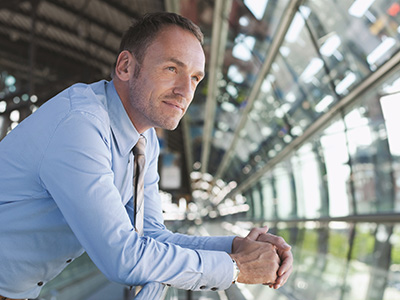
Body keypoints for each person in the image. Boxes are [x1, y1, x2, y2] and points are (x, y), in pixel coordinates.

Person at [0, 12, 293, 300]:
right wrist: (236, 268)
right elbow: (123, 256)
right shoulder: (80, 125)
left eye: (195, 78)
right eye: (171, 69)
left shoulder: (145, 141)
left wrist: (238, 246)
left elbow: (152, 235)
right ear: (126, 66)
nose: (184, 91)